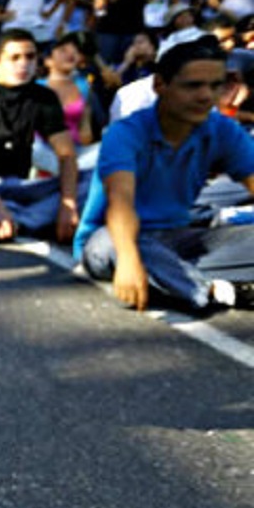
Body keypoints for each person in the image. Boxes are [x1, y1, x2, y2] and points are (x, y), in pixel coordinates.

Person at [74, 28, 254, 311]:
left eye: (214, 85)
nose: (205, 95)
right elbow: (120, 205)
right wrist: (130, 258)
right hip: (118, 238)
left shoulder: (222, 130)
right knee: (122, 246)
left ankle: (175, 276)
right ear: (161, 86)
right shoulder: (128, 134)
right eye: (192, 85)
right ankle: (213, 290)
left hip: (183, 237)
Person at [0, 29, 81, 242]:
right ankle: (18, 219)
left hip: (20, 187)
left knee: (93, 180)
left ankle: (16, 221)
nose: (24, 64)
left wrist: (68, 205)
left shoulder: (44, 98)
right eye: (14, 58)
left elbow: (67, 155)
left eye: (30, 57)